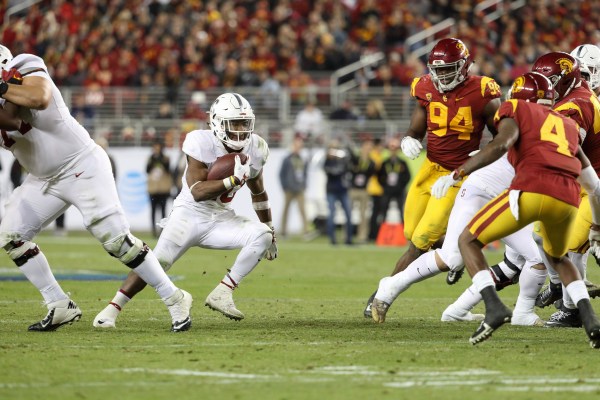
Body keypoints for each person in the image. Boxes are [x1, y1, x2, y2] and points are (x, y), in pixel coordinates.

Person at [0, 44, 192, 332]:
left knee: (117, 242)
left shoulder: (25, 65)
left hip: (81, 165)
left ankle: (174, 298)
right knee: (12, 235)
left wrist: (2, 87)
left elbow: (38, 99)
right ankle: (58, 304)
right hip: (43, 179)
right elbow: (10, 121)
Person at [431, 72, 600, 347]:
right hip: (567, 198)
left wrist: (457, 173)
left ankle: (494, 307)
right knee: (558, 259)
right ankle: (590, 319)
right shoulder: (567, 124)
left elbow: (501, 144)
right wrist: (597, 225)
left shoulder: (517, 108)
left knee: (467, 240)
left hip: (531, 188)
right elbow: (593, 184)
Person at [93, 92, 277, 327]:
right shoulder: (200, 142)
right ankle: (113, 308)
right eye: (234, 123)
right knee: (156, 262)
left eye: (244, 123)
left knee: (263, 235)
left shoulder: (257, 147)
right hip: (189, 213)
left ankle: (223, 292)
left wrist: (271, 229)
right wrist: (230, 181)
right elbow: (198, 192)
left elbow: (259, 192)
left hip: (221, 217)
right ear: (217, 123)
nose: (241, 129)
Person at [363, 38, 502, 317]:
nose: (441, 76)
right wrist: (408, 139)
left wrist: (481, 154)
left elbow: (504, 136)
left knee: (420, 241)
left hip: (458, 175)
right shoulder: (424, 86)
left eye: (449, 69)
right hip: (430, 169)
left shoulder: (483, 91)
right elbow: (416, 128)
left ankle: (381, 295)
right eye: (437, 70)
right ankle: (459, 252)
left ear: (463, 67)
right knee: (411, 232)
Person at [529, 50, 600, 327]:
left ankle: (572, 310)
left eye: (549, 82)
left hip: (592, 187)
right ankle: (560, 285)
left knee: (572, 248)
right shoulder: (578, 93)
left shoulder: (575, 106)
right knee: (539, 237)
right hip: (578, 181)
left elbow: (566, 153)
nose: (545, 88)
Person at [323, 139, 353, 245]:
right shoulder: (328, 160)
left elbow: (348, 166)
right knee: (332, 215)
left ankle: (348, 239)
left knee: (349, 215)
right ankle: (333, 240)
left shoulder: (343, 159)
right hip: (332, 190)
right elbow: (329, 171)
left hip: (343, 190)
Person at [279, 135, 309, 237]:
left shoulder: (302, 159)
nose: (298, 148)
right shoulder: (287, 159)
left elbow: (305, 173)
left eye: (299, 146)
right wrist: (284, 186)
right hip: (289, 189)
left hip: (300, 188)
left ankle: (306, 231)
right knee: (286, 210)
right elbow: (281, 174)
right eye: (296, 146)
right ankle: (283, 231)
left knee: (303, 210)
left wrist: (304, 185)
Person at [377, 137, 411, 225]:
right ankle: (382, 232)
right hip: (387, 190)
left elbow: (408, 176)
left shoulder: (402, 163)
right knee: (383, 210)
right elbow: (379, 176)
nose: (393, 151)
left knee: (402, 211)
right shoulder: (385, 163)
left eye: (395, 149)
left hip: (399, 191)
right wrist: (384, 186)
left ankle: (403, 232)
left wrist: (401, 186)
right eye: (391, 149)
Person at [348, 138, 376, 243]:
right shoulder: (355, 159)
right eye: (366, 147)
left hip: (364, 190)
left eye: (370, 148)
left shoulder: (371, 162)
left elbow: (371, 174)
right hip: (353, 189)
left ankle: (362, 236)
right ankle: (347, 235)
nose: (367, 149)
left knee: (363, 214)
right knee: (348, 213)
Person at [146, 140, 173, 237]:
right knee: (153, 210)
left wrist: (159, 159)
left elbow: (168, 169)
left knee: (163, 210)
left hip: (163, 189)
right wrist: (153, 159)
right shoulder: (150, 158)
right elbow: (147, 170)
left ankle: (162, 230)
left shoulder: (166, 158)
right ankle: (153, 230)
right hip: (153, 189)